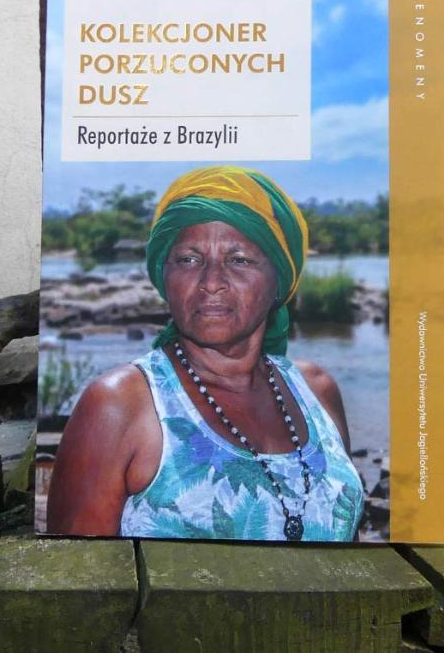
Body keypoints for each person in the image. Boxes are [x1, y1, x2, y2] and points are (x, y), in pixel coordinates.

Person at [47, 165, 363, 541]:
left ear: (280, 280)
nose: (211, 282)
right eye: (189, 260)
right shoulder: (120, 405)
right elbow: (75, 571)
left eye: (239, 260)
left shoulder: (316, 391)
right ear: (163, 276)